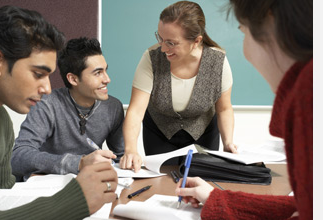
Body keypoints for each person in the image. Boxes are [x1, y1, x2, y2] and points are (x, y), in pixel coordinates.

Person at [175, 0, 313, 219]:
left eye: (244, 32)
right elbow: (305, 208)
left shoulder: (310, 94)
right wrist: (216, 198)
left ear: (271, 22)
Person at [0, 5, 117, 219]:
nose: (46, 88)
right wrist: (75, 200)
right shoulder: (47, 105)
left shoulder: (0, 120)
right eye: (38, 74)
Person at [120, 0, 237, 172]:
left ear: (196, 41)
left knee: (199, 183)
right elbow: (136, 111)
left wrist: (228, 143)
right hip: (159, 133)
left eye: (171, 43)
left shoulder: (217, 62)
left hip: (203, 133)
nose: (163, 48)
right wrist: (130, 149)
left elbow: (224, 109)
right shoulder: (151, 58)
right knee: (163, 183)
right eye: (161, 38)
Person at [11, 37, 124, 181]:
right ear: (73, 79)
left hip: (90, 183)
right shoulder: (47, 104)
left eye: (105, 70)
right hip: (48, 185)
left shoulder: (113, 107)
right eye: (98, 73)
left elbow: (121, 158)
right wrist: (79, 163)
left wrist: (130, 158)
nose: (107, 79)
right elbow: (18, 156)